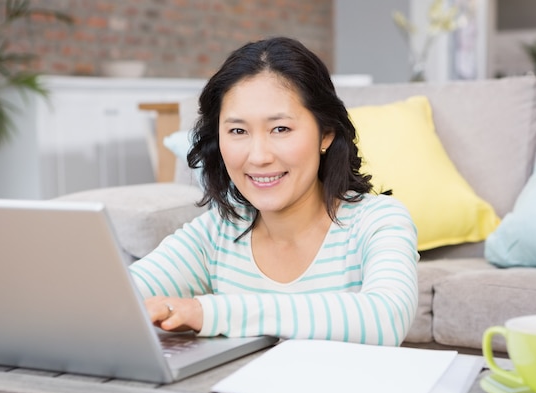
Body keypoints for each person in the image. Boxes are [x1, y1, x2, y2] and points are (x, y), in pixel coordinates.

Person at [129, 36, 418, 346]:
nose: (258, 156)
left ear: (326, 134)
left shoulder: (378, 221)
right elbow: (118, 297)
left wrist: (207, 311)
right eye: (238, 131)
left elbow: (386, 319)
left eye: (280, 129)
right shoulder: (217, 233)